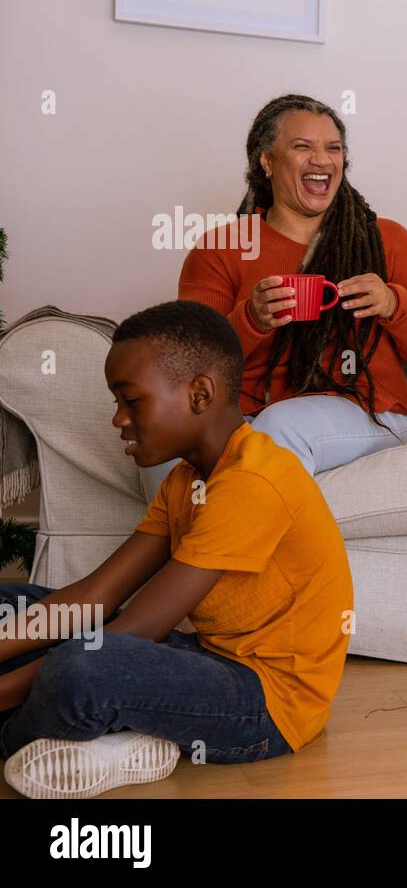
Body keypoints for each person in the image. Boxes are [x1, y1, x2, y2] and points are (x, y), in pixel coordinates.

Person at [0, 301, 352, 797]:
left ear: (200, 394)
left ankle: (21, 739)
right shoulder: (187, 480)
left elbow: (140, 628)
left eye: (131, 400)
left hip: (266, 705)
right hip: (202, 657)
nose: (118, 419)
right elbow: (96, 595)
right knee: (11, 605)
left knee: (80, 668)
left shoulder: (253, 480)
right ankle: (114, 734)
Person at [141, 94, 407, 499]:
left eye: (333, 148)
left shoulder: (387, 240)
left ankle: (210, 559)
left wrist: (394, 304)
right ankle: (195, 556)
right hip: (249, 411)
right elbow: (190, 367)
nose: (323, 160)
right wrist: (250, 320)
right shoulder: (220, 249)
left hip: (371, 411)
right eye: (302, 147)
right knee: (169, 442)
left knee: (276, 428)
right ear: (267, 161)